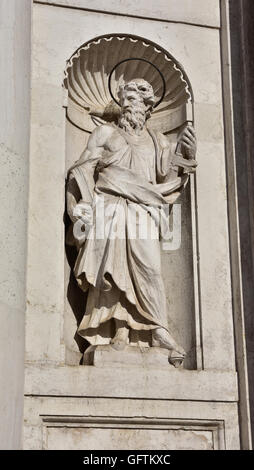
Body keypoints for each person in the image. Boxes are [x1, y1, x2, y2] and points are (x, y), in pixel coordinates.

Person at [66, 78, 197, 366]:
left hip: (143, 210)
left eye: (135, 98)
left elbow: (169, 180)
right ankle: (119, 331)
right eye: (125, 98)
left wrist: (187, 155)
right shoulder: (104, 133)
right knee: (112, 273)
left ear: (147, 106)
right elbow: (82, 169)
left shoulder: (159, 141)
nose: (129, 103)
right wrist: (83, 207)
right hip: (110, 208)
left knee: (149, 268)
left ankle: (158, 328)